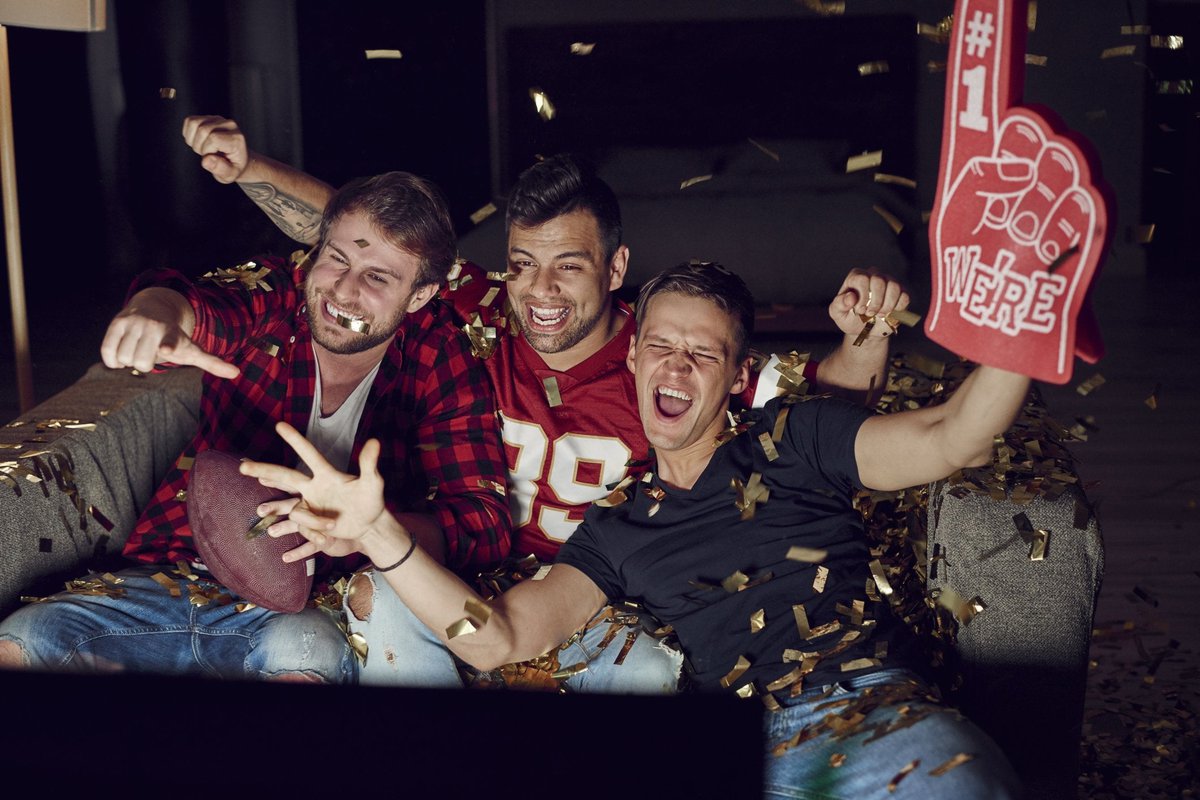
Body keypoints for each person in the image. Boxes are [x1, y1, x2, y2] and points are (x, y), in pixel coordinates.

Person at [181, 115, 908, 692]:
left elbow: (826, 402)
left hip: (605, 596)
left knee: (650, 671)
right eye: (525, 265)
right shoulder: (483, 316)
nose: (543, 292)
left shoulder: (664, 358)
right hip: (466, 581)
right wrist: (250, 169)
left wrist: (867, 334)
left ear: (617, 267)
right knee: (383, 600)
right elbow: (371, 240)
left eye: (570, 266)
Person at [242, 262, 1024, 797]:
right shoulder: (617, 527)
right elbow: (497, 636)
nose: (675, 369)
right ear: (635, 363)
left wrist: (1027, 319)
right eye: (659, 347)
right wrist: (384, 538)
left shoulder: (796, 437)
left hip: (875, 719)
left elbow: (955, 437)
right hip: (734, 751)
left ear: (736, 377)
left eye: (701, 354)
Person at [0, 171, 510, 681]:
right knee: (24, 639)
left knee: (304, 662)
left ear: (419, 297)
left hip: (305, 607)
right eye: (337, 258)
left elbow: (481, 522)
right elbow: (193, 303)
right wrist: (153, 313)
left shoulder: (442, 358)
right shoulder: (278, 295)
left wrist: (369, 532)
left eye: (378, 277)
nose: (344, 291)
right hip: (172, 575)